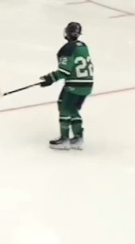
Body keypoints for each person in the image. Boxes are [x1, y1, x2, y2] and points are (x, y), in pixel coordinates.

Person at [38, 21, 94, 150]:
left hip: (75, 84)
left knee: (64, 107)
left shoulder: (68, 48)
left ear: (67, 33)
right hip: (87, 83)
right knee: (72, 109)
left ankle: (64, 139)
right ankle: (78, 138)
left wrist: (50, 78)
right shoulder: (83, 46)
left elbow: (65, 71)